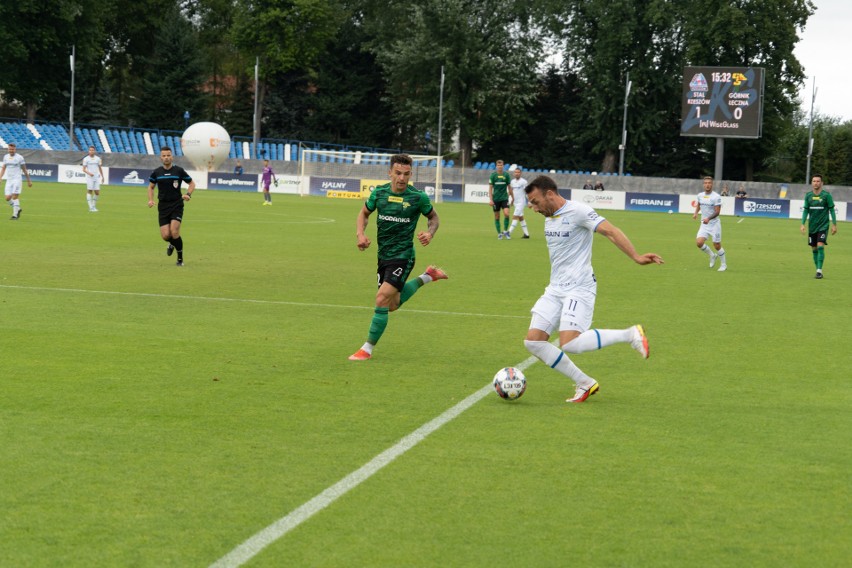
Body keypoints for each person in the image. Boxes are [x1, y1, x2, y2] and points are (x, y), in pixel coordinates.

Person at [521, 175, 663, 403]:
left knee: (571, 343)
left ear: (549, 194)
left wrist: (636, 256)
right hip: (555, 289)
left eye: (535, 201)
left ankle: (630, 334)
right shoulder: (550, 217)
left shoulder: (578, 211)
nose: (533, 208)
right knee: (533, 341)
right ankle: (585, 383)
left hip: (579, 287)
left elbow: (611, 231)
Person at [349, 154, 448, 361]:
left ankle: (366, 349)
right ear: (390, 172)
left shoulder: (417, 197)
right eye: (398, 173)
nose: (402, 178)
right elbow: (364, 214)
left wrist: (430, 233)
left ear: (411, 174)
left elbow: (434, 218)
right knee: (392, 305)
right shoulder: (379, 193)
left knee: (381, 298)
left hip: (403, 256)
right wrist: (360, 234)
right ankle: (428, 276)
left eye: (406, 174)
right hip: (383, 255)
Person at [147, 147, 195, 266]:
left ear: (172, 157)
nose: (166, 157)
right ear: (161, 158)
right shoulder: (156, 172)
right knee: (165, 236)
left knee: (174, 232)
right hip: (163, 206)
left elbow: (191, 183)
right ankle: (172, 243)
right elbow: (151, 187)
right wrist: (151, 200)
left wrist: (188, 194)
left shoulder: (178, 171)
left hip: (177, 205)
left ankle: (180, 259)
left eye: (168, 155)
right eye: (164, 155)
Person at [800, 174, 837, 279]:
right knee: (814, 249)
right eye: (814, 181)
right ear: (812, 183)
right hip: (812, 226)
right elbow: (806, 210)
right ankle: (818, 270)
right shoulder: (808, 196)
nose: (816, 183)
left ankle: (819, 271)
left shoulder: (826, 195)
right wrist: (802, 224)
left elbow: (832, 210)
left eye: (818, 181)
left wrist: (834, 224)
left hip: (823, 225)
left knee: (820, 245)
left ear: (822, 183)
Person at [693, 176, 728, 272]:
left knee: (716, 245)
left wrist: (708, 218)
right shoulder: (700, 195)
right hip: (704, 224)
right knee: (699, 243)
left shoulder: (716, 197)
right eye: (705, 183)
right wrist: (696, 213)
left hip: (714, 224)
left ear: (712, 184)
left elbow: (717, 212)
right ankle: (712, 255)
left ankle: (724, 265)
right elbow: (699, 204)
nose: (707, 184)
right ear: (703, 184)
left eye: (709, 183)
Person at [1, 143, 32, 220]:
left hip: (17, 179)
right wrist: (0, 177)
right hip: (9, 180)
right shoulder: (5, 157)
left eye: (12, 149)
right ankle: (18, 208)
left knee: (15, 196)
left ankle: (15, 215)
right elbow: (4, 168)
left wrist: (29, 181)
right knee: (7, 198)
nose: (11, 150)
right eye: (10, 149)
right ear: (8, 149)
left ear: (15, 149)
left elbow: (24, 169)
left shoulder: (20, 158)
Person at [488, 159, 513, 239]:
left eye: (501, 165)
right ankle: (499, 233)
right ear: (496, 166)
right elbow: (490, 189)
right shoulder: (493, 176)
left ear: (503, 166)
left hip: (504, 198)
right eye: (498, 165)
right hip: (496, 199)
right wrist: (491, 200)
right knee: (497, 216)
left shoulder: (506, 175)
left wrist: (512, 198)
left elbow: (509, 188)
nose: (500, 167)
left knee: (506, 214)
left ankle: (505, 231)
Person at [507, 167, 530, 238]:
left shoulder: (524, 182)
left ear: (520, 173)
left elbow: (527, 192)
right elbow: (511, 192)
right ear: (514, 173)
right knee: (521, 218)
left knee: (515, 216)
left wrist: (529, 202)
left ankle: (509, 232)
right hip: (515, 203)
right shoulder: (512, 182)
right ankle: (526, 234)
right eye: (515, 172)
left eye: (518, 172)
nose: (517, 173)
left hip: (521, 202)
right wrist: (510, 199)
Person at [82, 145, 105, 212]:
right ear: (88, 151)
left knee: (97, 192)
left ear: (94, 151)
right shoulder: (86, 159)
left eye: (92, 150)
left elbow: (100, 168)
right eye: (90, 150)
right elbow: (83, 169)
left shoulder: (98, 159)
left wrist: (102, 176)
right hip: (90, 177)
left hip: (96, 177)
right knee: (90, 191)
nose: (91, 151)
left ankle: (94, 206)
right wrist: (89, 173)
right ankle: (91, 207)